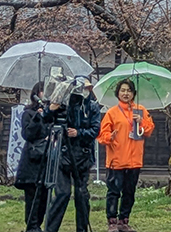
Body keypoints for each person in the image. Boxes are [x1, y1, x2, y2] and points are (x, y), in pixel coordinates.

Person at [45, 75, 103, 232]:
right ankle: (50, 229)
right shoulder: (64, 104)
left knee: (81, 194)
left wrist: (79, 132)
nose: (81, 92)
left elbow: (95, 130)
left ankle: (82, 228)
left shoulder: (92, 106)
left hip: (83, 157)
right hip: (62, 155)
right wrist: (52, 107)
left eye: (85, 88)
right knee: (62, 193)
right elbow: (47, 120)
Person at [97, 78, 155, 232]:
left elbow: (149, 130)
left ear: (133, 93)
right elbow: (102, 136)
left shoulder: (140, 110)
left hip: (135, 160)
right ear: (118, 93)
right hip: (116, 159)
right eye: (122, 90)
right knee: (114, 192)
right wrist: (111, 137)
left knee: (129, 192)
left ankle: (124, 220)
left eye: (128, 90)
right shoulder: (112, 112)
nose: (125, 93)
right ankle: (112, 221)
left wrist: (141, 121)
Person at [15, 82, 50, 232]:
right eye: (42, 91)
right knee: (33, 196)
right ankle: (32, 226)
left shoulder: (51, 113)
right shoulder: (28, 113)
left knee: (44, 196)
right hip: (32, 160)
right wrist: (37, 117)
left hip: (47, 159)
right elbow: (27, 134)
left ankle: (38, 225)